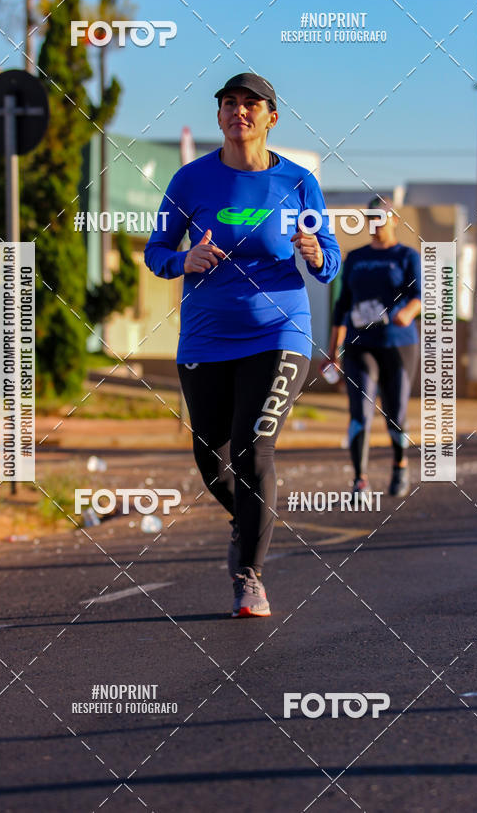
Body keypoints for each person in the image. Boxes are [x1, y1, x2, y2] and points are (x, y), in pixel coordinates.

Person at [145, 73, 341, 617]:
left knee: (255, 447)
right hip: (206, 334)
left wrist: (318, 254)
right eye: (230, 104)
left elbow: (329, 256)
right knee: (212, 456)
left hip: (280, 330)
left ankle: (249, 577)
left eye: (251, 105)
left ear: (271, 117)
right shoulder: (189, 181)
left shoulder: (299, 183)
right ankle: (248, 516)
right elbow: (157, 250)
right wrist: (183, 260)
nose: (240, 112)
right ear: (220, 117)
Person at [326, 195, 421, 498]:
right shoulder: (355, 257)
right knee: (360, 412)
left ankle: (400, 465)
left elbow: (420, 294)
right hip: (360, 344)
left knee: (395, 412)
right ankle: (360, 480)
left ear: (393, 219)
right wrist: (333, 351)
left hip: (397, 345)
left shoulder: (406, 256)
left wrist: (407, 312)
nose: (375, 225)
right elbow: (341, 306)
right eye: (371, 219)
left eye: (381, 218)